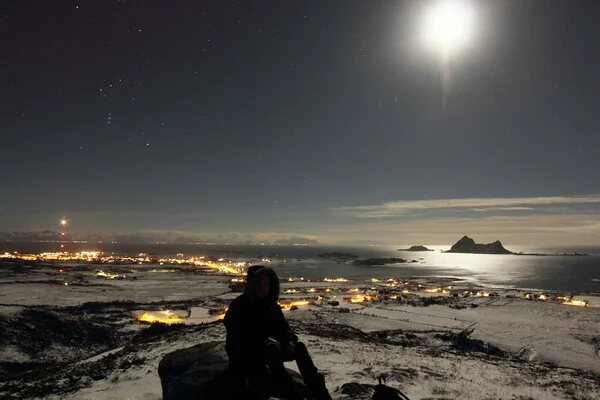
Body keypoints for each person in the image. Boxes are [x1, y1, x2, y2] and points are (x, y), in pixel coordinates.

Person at [224, 265, 332, 400]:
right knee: (271, 350)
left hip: (265, 350)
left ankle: (320, 394)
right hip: (244, 353)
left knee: (299, 348)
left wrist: (289, 341)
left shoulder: (271, 305)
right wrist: (262, 344)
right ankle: (293, 395)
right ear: (251, 285)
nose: (263, 288)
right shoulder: (239, 305)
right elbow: (236, 337)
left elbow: (283, 328)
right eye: (258, 283)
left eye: (266, 283)